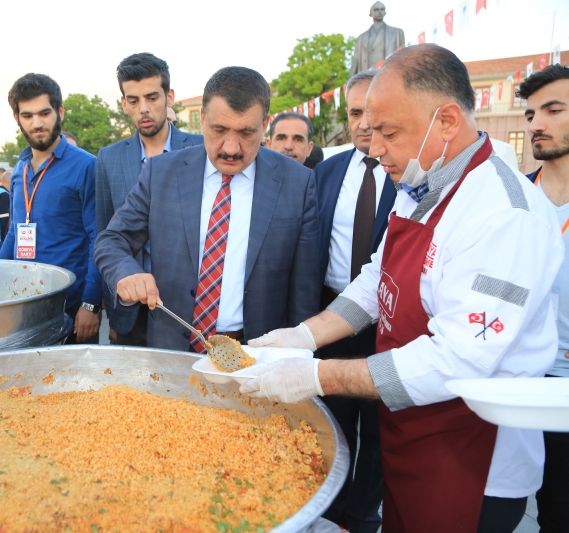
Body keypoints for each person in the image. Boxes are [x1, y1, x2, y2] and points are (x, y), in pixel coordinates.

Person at [242, 44, 562, 533]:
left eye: (389, 133)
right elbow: (377, 278)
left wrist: (316, 376)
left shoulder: (506, 216)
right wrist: (304, 336)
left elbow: (456, 359)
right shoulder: (421, 185)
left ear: (448, 121)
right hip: (412, 429)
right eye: (371, 132)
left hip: (474, 457)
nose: (374, 149)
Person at [95, 66, 321, 351]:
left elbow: (304, 292)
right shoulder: (161, 173)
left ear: (264, 126)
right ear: (202, 119)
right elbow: (112, 240)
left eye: (246, 133)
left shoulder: (297, 183)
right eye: (219, 130)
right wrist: (126, 272)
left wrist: (295, 359)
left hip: (255, 356)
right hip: (172, 349)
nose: (230, 147)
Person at [312, 69, 397, 533]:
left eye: (374, 112)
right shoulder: (325, 173)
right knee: (333, 424)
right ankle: (329, 511)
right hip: (332, 319)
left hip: (393, 329)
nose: (364, 123)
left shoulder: (411, 173)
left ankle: (364, 514)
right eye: (355, 112)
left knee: (383, 430)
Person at [96, 53, 203, 347]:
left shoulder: (200, 148)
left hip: (188, 307)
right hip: (131, 309)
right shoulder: (109, 158)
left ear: (169, 96)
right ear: (123, 103)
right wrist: (109, 306)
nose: (143, 109)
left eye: (152, 97)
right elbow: (104, 232)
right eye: (133, 100)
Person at [0, 73, 101, 344]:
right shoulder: (18, 170)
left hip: (70, 307)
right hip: (26, 306)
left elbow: (98, 239)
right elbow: (15, 233)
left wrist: (91, 304)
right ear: (17, 118)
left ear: (60, 111)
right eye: (28, 115)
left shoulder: (87, 166)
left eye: (44, 113)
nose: (37, 123)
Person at [517, 64, 569, 533]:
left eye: (554, 110)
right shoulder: (513, 199)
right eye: (531, 113)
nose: (536, 123)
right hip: (519, 377)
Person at [350, 1, 405, 76]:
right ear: (370, 13)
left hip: (389, 75)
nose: (379, 12)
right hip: (368, 76)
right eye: (376, 10)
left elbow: (404, 57)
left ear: (385, 12)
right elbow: (355, 60)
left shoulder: (397, 33)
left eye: (382, 9)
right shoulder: (361, 38)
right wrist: (350, 81)